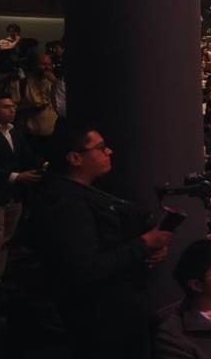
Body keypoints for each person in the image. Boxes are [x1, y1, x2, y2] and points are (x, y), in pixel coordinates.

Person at [33, 129, 174, 359]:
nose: (109, 151)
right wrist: (143, 243)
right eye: (100, 147)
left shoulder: (90, 189)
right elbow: (84, 267)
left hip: (118, 305)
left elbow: (113, 241)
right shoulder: (64, 203)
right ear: (75, 158)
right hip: (98, 314)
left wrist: (149, 248)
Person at [0, 94, 45, 299]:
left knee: (4, 239)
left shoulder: (15, 132)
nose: (12, 110)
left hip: (12, 194)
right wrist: (16, 177)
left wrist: (45, 165)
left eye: (13, 106)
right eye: (5, 107)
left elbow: (26, 155)